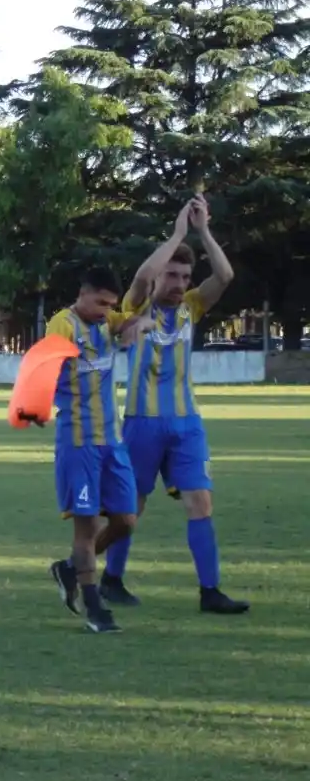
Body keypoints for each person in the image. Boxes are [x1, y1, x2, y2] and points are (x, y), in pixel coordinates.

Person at [97, 196, 249, 614]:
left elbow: (225, 274)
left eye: (185, 275)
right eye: (174, 274)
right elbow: (144, 276)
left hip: (187, 424)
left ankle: (210, 592)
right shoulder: (137, 306)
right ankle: (111, 578)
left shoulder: (192, 308)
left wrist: (203, 232)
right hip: (142, 423)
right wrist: (178, 233)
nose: (180, 282)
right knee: (133, 506)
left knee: (201, 502)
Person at [45, 267, 148, 634]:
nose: (106, 310)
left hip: (112, 441)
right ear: (83, 294)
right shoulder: (63, 325)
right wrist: (36, 403)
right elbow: (43, 367)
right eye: (100, 302)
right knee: (86, 527)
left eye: (111, 305)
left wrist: (138, 326)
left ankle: (71, 569)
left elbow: (138, 315)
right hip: (79, 441)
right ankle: (94, 606)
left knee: (125, 520)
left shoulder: (109, 321)